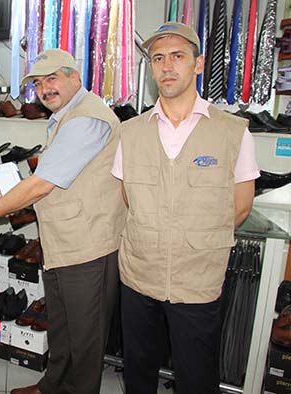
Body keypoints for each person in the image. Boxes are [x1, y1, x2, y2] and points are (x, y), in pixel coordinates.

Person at [0, 49, 127, 394]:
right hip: (65, 240)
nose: (44, 89)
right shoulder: (68, 115)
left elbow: (42, 184)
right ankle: (52, 386)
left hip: (88, 246)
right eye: (37, 83)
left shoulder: (86, 119)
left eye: (52, 78)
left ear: (74, 77)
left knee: (85, 336)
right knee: (62, 325)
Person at [111, 22, 259, 394]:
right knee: (138, 371)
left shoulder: (232, 132)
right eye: (158, 58)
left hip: (198, 279)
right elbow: (128, 196)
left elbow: (240, 206)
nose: (167, 66)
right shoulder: (130, 132)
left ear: (198, 63)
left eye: (178, 56)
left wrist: (193, 241)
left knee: (196, 376)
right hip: (139, 275)